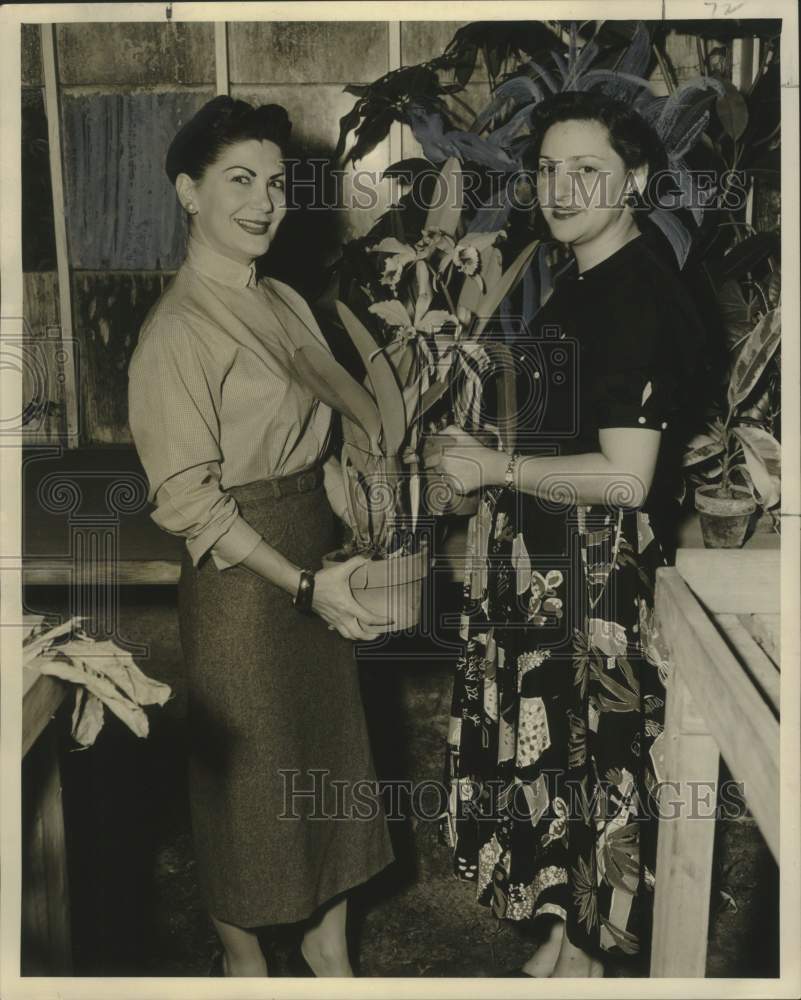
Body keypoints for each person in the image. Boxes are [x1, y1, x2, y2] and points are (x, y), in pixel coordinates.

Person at [425, 91, 709, 977]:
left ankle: (585, 959)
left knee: (590, 772)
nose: (558, 187)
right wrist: (491, 450)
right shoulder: (590, 275)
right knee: (564, 778)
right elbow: (578, 434)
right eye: (546, 169)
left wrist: (496, 472)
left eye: (585, 170)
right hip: (551, 571)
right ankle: (561, 939)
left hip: (592, 587)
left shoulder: (633, 293)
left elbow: (626, 477)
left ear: (633, 180)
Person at [127, 96, 394, 978]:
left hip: (313, 554)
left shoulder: (280, 298)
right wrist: (305, 582)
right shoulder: (176, 332)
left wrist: (356, 529)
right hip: (244, 576)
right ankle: (245, 963)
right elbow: (192, 505)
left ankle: (329, 950)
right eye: (239, 181)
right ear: (188, 193)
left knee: (330, 762)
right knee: (250, 792)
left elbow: (315, 435)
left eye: (276, 184)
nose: (264, 202)